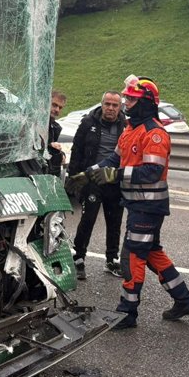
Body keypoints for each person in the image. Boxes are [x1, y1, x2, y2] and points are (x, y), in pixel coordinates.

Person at [89, 75, 189, 328]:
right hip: (138, 205)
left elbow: (152, 172)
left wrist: (115, 175)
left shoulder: (155, 134)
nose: (126, 103)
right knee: (151, 252)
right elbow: (114, 159)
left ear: (146, 103)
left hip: (148, 207)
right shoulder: (130, 129)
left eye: (131, 99)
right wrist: (89, 173)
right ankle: (184, 299)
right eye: (126, 98)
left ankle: (127, 313)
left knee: (132, 256)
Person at [67, 91, 126, 280]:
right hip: (92, 180)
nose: (110, 108)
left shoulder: (126, 126)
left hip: (114, 180)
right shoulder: (88, 123)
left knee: (114, 221)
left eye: (114, 105)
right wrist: (74, 178)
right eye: (107, 104)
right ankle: (78, 258)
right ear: (102, 104)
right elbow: (76, 150)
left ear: (120, 107)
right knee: (88, 219)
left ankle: (111, 259)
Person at [46, 91, 67, 176]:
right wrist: (50, 146)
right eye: (54, 105)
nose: (57, 110)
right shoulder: (32, 123)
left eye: (60, 108)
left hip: (48, 173)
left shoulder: (56, 128)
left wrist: (61, 155)